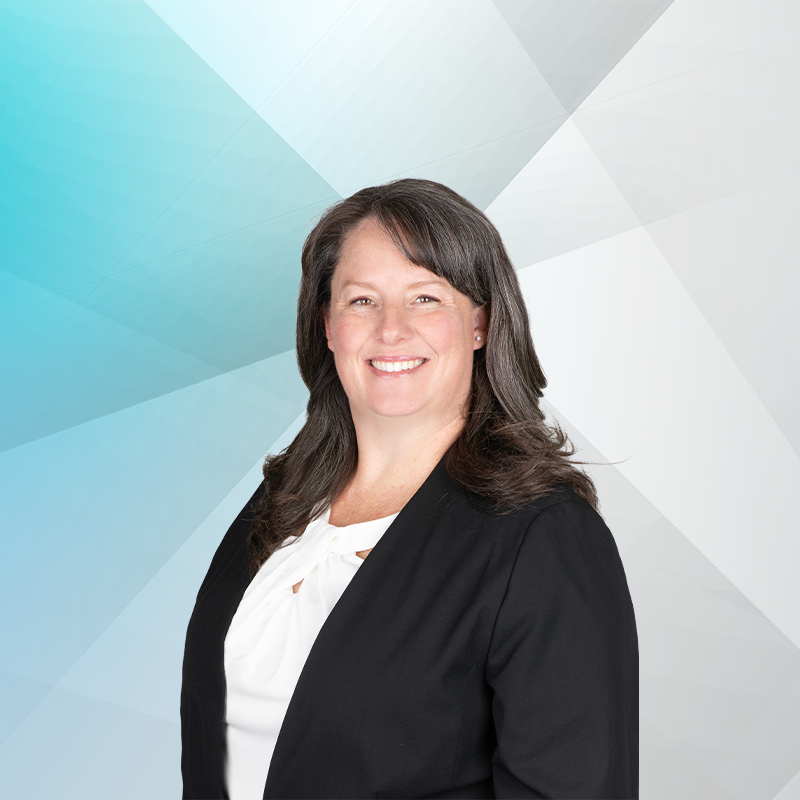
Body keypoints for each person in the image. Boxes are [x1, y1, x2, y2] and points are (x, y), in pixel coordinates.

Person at [181, 179, 638, 799]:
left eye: (425, 298)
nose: (391, 330)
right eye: (362, 301)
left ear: (480, 322)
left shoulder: (542, 536)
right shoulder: (281, 506)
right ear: (328, 325)